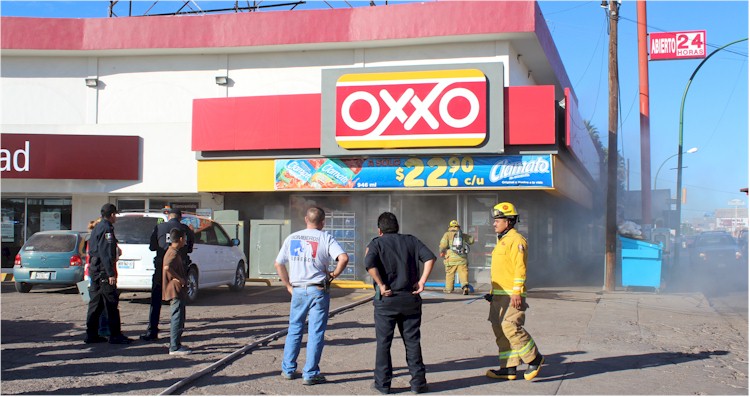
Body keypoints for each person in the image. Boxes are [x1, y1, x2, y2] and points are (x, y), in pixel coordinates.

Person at [274, 206, 349, 385]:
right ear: (323, 222)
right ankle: (310, 373)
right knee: (316, 331)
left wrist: (287, 285)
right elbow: (344, 258)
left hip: (298, 289)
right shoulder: (326, 237)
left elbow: (278, 264)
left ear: (306, 219)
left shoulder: (292, 238)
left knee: (295, 329)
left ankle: (288, 369)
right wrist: (333, 274)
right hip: (318, 290)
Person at [364, 212, 436, 394]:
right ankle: (418, 383)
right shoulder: (411, 241)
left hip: (386, 301)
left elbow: (369, 264)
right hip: (410, 299)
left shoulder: (376, 243)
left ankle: (383, 385)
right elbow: (430, 258)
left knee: (384, 343)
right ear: (397, 227)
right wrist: (422, 281)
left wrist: (381, 285)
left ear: (379, 230)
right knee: (412, 341)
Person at [485, 201, 544, 381]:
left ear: (508, 221)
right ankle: (508, 368)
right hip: (499, 295)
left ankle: (534, 358)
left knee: (510, 327)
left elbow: (520, 268)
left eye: (498, 220)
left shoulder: (517, 240)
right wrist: (493, 292)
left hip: (512, 295)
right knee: (499, 330)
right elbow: (501, 270)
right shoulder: (502, 240)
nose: (494, 223)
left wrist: (517, 291)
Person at [140, 208, 194, 341]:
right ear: (180, 217)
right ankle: (177, 334)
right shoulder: (185, 229)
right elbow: (190, 249)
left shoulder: (160, 227)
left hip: (160, 268)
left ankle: (152, 331)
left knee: (156, 300)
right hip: (179, 270)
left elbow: (152, 247)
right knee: (178, 303)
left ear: (168, 216)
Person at [84, 203, 132, 345]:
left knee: (96, 304)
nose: (115, 217)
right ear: (112, 215)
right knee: (111, 303)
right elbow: (106, 253)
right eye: (115, 215)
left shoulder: (98, 227)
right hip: (103, 271)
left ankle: (91, 334)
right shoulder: (107, 229)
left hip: (95, 270)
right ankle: (115, 335)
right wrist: (111, 273)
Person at [162, 228, 192, 355]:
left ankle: (177, 344)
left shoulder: (173, 251)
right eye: (184, 238)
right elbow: (167, 267)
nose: (185, 241)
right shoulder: (172, 253)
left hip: (177, 289)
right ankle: (174, 347)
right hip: (175, 289)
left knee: (180, 317)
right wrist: (179, 279)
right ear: (180, 239)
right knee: (177, 317)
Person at [438, 219, 475, 295]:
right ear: (458, 227)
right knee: (463, 273)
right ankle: (465, 287)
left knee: (450, 273)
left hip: (450, 259)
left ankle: (448, 289)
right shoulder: (462, 234)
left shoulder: (447, 234)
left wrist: (441, 251)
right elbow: (472, 241)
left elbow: (443, 245)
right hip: (462, 259)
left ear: (449, 227)